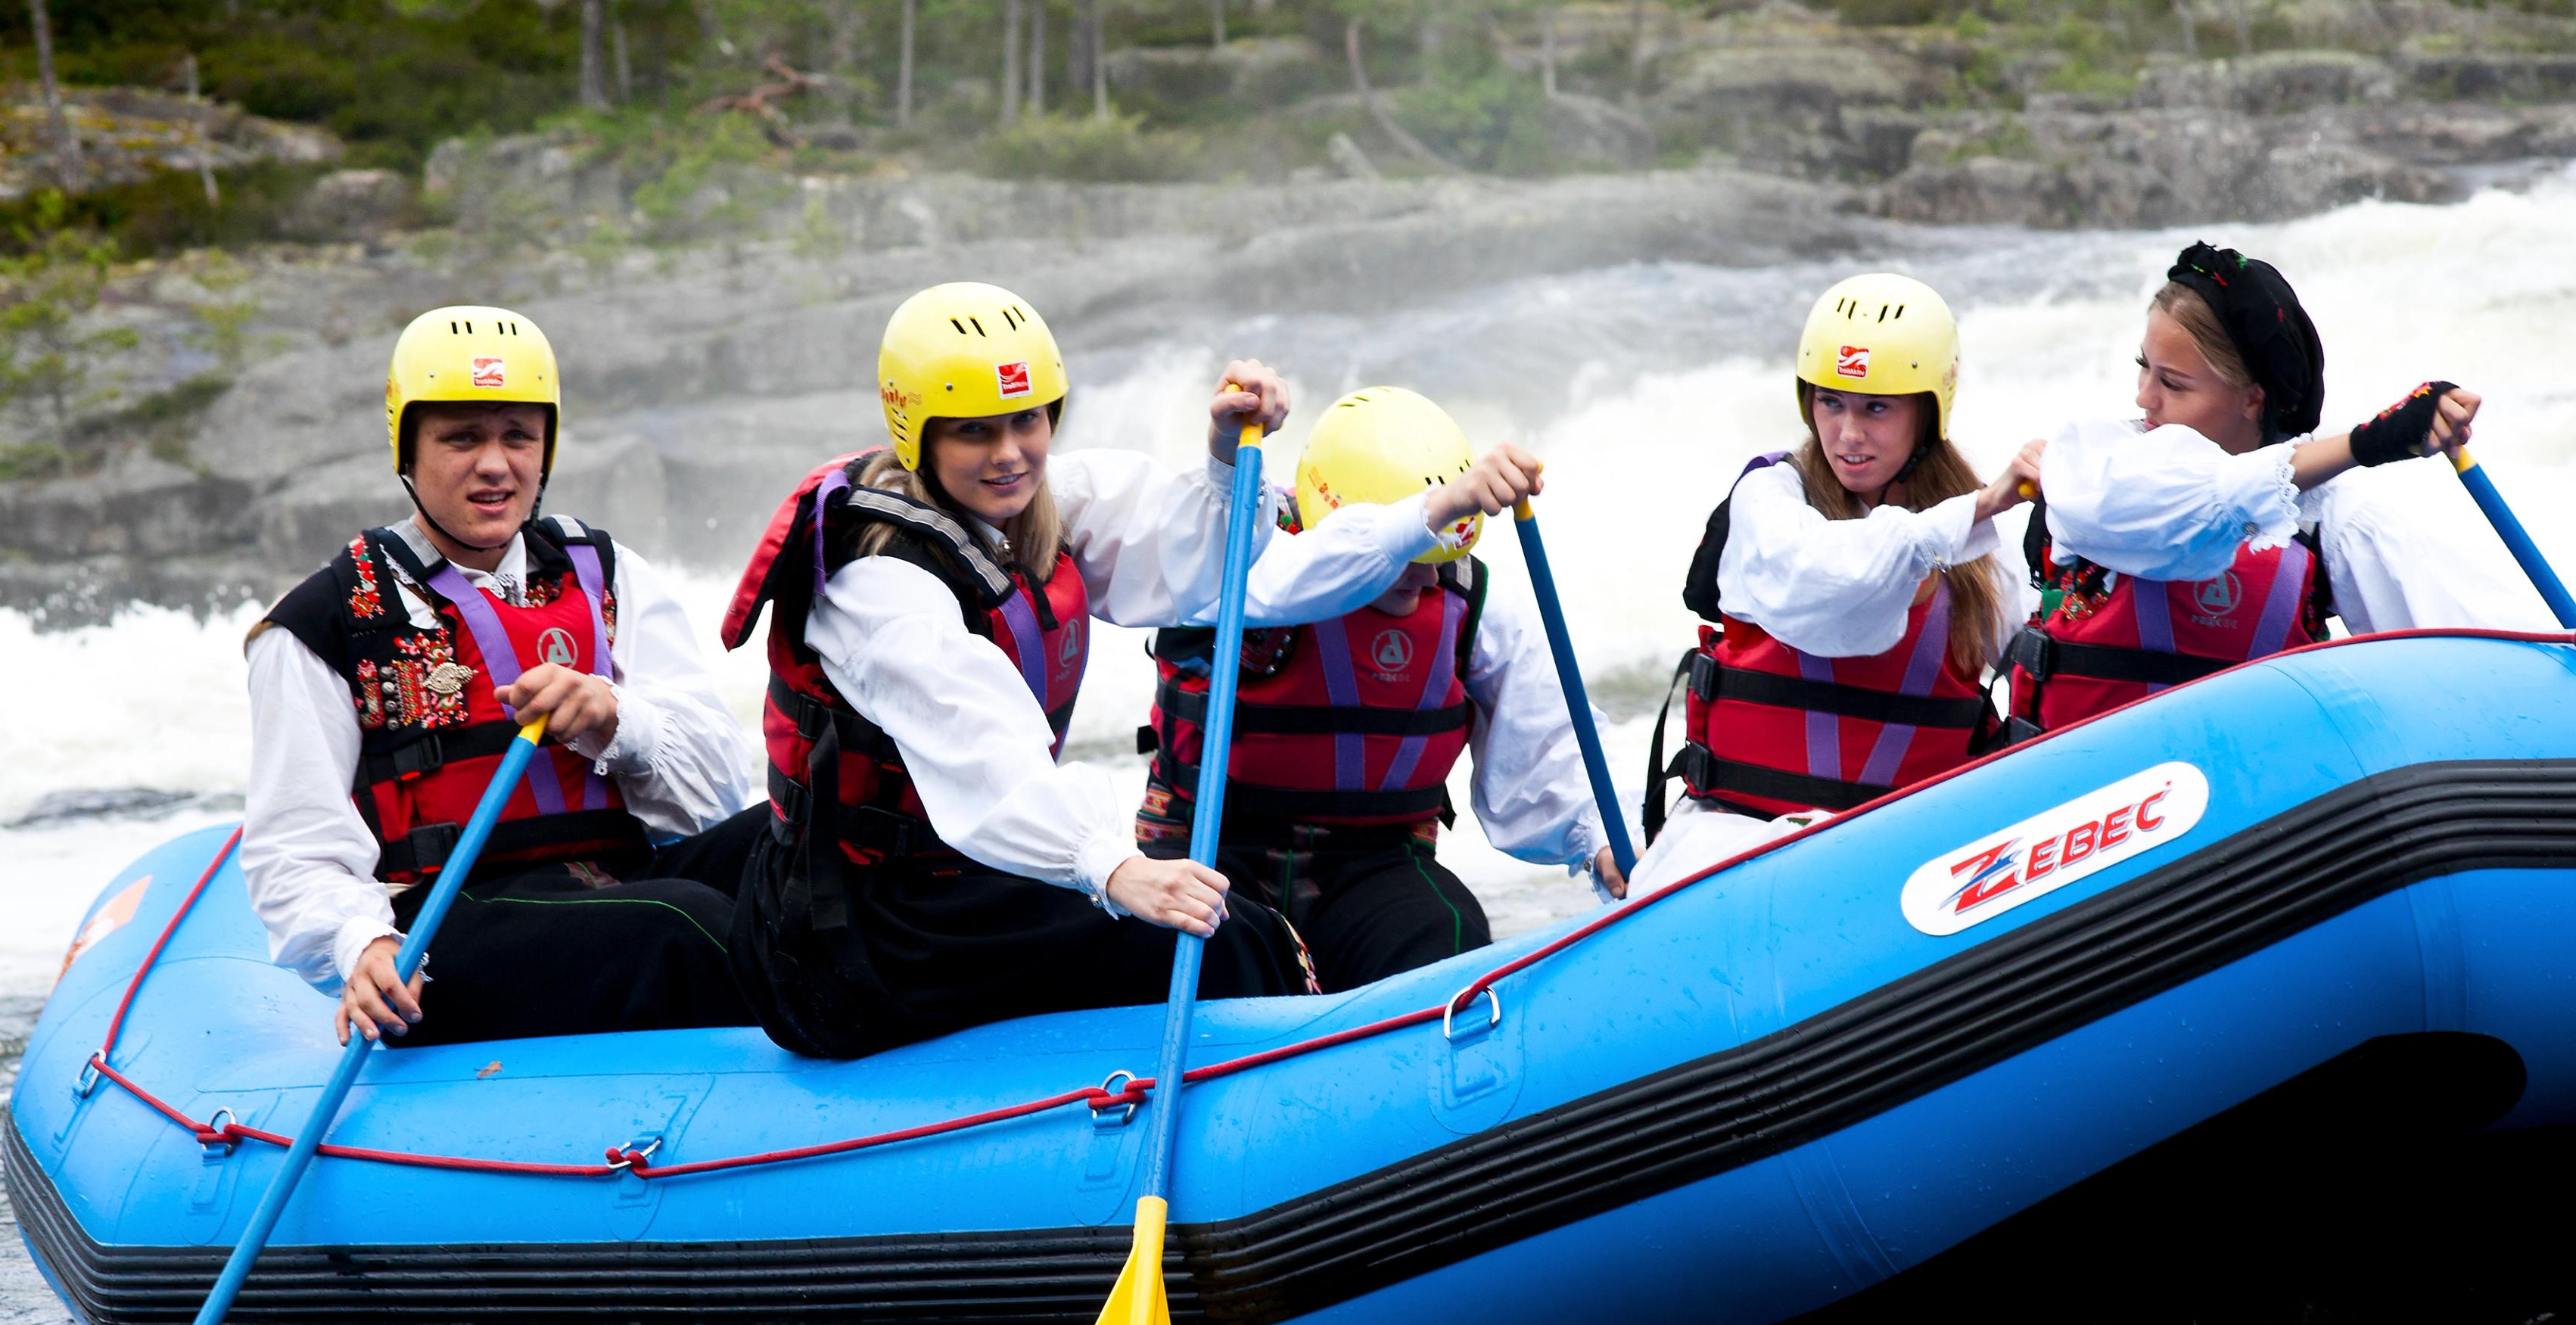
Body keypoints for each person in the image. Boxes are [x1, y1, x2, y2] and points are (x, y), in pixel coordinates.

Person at [720, 280, 1315, 1059]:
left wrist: (1223, 455)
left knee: (1246, 922)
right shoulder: (875, 580)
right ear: (920, 434)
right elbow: (985, 760)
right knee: (1214, 945)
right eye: (974, 431)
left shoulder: (1036, 506)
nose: (1009, 453)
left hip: (961, 887)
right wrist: (1115, 868)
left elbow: (1190, 560)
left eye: (1026, 420)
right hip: (856, 935)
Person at [244, 306, 759, 1048]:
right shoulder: (318, 623)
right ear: (408, 449)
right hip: (444, 925)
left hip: (614, 878)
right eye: (461, 438)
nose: (495, 463)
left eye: (518, 435)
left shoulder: (609, 574)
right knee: (683, 921)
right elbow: (293, 850)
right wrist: (363, 945)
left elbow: (712, 800)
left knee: (796, 839)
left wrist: (615, 718)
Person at [1131, 387, 1620, 991]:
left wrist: (1599, 844)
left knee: (1450, 934)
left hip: (1372, 863)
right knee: (1208, 950)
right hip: (1210, 856)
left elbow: (1548, 741)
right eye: (1416, 545)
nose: (1427, 572)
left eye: (1441, 550)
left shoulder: (1465, 600)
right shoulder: (1234, 553)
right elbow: (1249, 577)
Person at [2005, 240, 2514, 738]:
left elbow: (2482, 661)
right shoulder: (2096, 466)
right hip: (2086, 804)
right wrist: (2367, 443)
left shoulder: (2333, 520)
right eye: (2144, 368)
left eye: (2173, 383)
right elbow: (2202, 498)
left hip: (2254, 802)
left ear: (2252, 400)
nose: (2145, 398)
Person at [1632, 272, 2032, 898]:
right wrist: (1971, 513)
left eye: (1877, 407)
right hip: (1741, 837)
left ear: (1928, 409)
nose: (1848, 433)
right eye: (1831, 403)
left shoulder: (1985, 550)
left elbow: (2044, 671)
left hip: (1906, 851)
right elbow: (1826, 582)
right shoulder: (1770, 499)